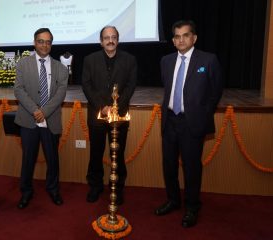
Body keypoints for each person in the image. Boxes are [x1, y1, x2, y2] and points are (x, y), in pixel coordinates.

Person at [154, 20, 223, 227]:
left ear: (194, 38)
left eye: (185, 35)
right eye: (176, 36)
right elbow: (168, 88)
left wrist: (202, 112)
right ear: (173, 41)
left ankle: (192, 207)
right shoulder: (165, 61)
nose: (180, 39)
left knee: (192, 168)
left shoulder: (208, 60)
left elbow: (216, 91)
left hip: (192, 123)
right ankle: (173, 201)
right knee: (169, 165)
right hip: (170, 120)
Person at [82, 26, 137, 205]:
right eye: (107, 37)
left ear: (118, 40)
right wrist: (102, 107)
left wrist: (115, 108)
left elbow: (130, 86)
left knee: (118, 155)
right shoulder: (90, 60)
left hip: (119, 117)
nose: (110, 40)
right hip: (97, 116)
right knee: (95, 154)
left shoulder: (130, 60)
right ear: (101, 41)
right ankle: (95, 187)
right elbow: (87, 85)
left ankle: (118, 188)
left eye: (114, 37)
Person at [14, 28, 68, 209]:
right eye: (41, 41)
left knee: (53, 159)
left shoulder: (61, 68)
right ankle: (26, 192)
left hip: (50, 119)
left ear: (51, 44)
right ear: (34, 42)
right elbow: (19, 90)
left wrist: (44, 112)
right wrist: (35, 110)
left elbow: (60, 94)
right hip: (28, 120)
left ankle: (53, 190)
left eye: (48, 42)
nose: (44, 45)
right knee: (28, 159)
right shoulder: (22, 64)